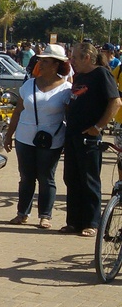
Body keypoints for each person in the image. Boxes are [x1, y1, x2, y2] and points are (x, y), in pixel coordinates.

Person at [3, 44, 72, 229]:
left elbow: (69, 117)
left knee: (46, 177)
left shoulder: (66, 89)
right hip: (24, 138)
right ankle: (22, 213)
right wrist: (8, 135)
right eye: (40, 60)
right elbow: (17, 111)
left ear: (57, 65)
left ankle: (45, 216)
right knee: (26, 177)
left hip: (51, 141)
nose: (40, 64)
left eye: (46, 61)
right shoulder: (28, 84)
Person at [60, 42, 122, 237]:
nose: (72, 61)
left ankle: (91, 222)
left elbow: (116, 102)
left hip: (89, 137)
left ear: (87, 57)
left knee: (89, 179)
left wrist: (98, 127)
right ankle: (74, 222)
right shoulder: (80, 76)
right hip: (72, 134)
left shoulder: (101, 75)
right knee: (72, 178)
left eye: (75, 57)